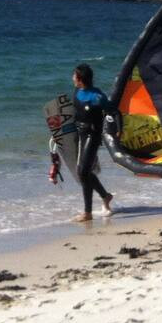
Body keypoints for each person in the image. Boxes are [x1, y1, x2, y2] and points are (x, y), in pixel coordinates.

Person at [69, 63, 115, 222]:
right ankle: (105, 196)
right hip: (80, 134)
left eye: (74, 75)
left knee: (83, 172)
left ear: (80, 79)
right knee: (83, 172)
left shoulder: (97, 96)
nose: (72, 78)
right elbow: (75, 113)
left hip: (93, 135)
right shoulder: (77, 92)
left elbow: (113, 111)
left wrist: (116, 131)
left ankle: (87, 213)